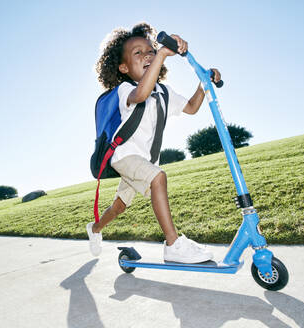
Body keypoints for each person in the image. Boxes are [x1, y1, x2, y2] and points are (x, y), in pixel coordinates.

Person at [87, 23, 222, 263]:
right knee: (158, 177)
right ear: (124, 67)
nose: (147, 55)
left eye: (150, 50)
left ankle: (95, 229)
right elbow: (140, 95)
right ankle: (173, 245)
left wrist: (204, 83)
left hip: (144, 160)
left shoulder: (164, 92)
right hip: (125, 157)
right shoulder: (125, 89)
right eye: (138, 53)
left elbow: (191, 107)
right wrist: (161, 54)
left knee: (119, 207)